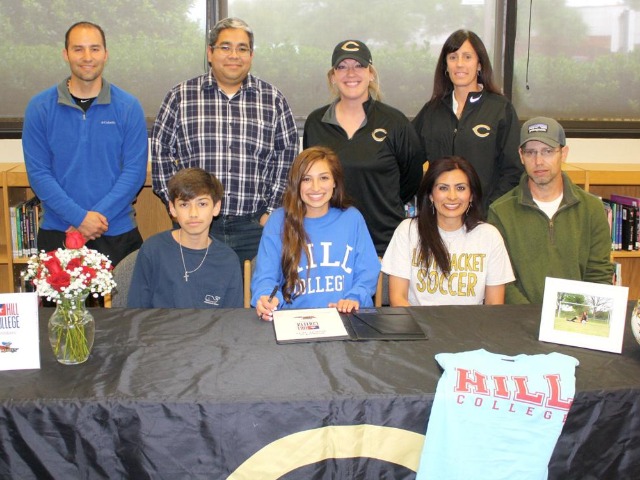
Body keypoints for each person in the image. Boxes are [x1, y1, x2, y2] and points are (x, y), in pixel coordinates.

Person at [151, 17, 299, 265]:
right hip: (197, 226)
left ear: (251, 55)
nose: (234, 55)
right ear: (210, 53)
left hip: (255, 227)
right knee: (196, 299)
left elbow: (287, 157)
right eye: (225, 47)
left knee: (254, 300)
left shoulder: (272, 99)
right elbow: (160, 151)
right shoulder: (181, 96)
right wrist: (183, 207)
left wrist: (270, 214)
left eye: (242, 49)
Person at [22, 21, 148, 267]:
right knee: (58, 308)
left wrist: (94, 221)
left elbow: (134, 173)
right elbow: (39, 174)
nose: (87, 57)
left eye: (95, 49)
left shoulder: (129, 107)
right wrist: (80, 218)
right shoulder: (39, 107)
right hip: (60, 231)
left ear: (105, 54)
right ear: (65, 54)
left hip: (117, 232)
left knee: (127, 307)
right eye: (78, 49)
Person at [303, 40, 425, 256]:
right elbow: (311, 182)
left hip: (384, 244)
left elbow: (411, 180)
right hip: (332, 244)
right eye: (342, 66)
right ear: (333, 76)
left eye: (359, 65)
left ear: (371, 73)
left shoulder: (395, 122)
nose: (351, 73)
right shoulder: (315, 123)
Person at [487, 117, 614, 304]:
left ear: (563, 154)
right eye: (530, 152)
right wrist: (535, 319)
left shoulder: (592, 209)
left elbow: (599, 275)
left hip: (574, 322)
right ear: (521, 156)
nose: (538, 161)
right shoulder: (500, 212)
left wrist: (570, 319)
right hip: (518, 322)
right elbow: (502, 282)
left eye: (547, 151)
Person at [252, 146, 380, 319]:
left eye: (324, 178)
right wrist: (268, 297)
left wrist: (354, 298)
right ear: (296, 183)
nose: (316, 187)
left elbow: (368, 272)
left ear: (335, 181)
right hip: (295, 322)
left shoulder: (352, 219)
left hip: (346, 319)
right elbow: (266, 277)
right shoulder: (278, 221)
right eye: (306, 179)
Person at [412, 29, 522, 213]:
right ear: (445, 66)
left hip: (484, 220)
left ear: (479, 64)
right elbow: (407, 159)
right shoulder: (432, 111)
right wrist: (424, 199)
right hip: (438, 219)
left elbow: (514, 171)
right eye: (453, 57)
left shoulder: (500, 109)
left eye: (467, 57)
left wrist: (488, 210)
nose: (460, 64)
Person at [382, 156, 514, 306]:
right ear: (431, 195)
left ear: (471, 195)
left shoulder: (489, 236)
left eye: (460, 188)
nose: (452, 196)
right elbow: (398, 299)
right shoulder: (408, 231)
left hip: (471, 328)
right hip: (418, 327)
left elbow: (494, 305)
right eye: (443, 188)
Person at [128, 168, 243, 308]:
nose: (193, 213)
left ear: (216, 207)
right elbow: (136, 313)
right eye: (184, 204)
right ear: (172, 208)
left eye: (202, 204)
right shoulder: (153, 250)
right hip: (159, 330)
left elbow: (230, 321)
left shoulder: (228, 259)